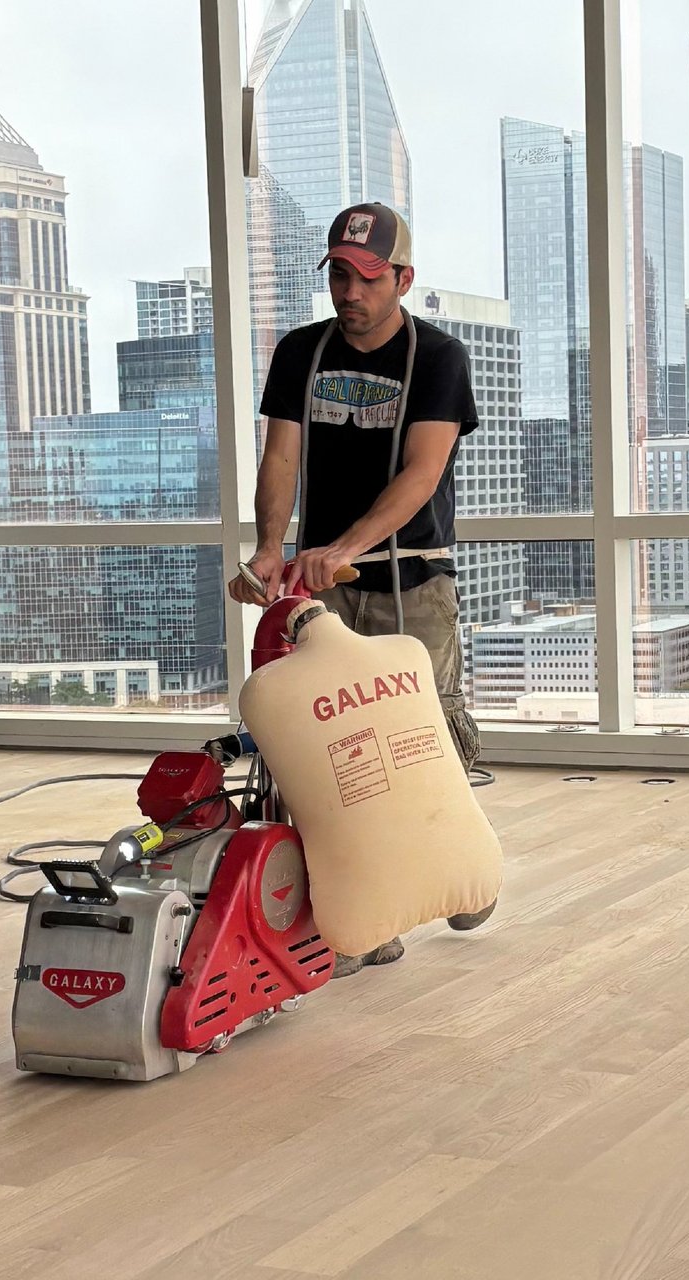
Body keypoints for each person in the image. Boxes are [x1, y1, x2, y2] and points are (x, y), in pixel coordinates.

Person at [229, 201, 491, 978]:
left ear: (403, 279)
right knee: (336, 754)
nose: (351, 292)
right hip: (322, 584)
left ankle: (460, 863)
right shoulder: (300, 354)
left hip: (415, 574)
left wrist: (344, 544)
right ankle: (368, 915)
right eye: (340, 275)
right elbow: (280, 459)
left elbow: (422, 472)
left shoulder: (437, 356)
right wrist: (272, 547)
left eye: (369, 278)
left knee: (429, 735)